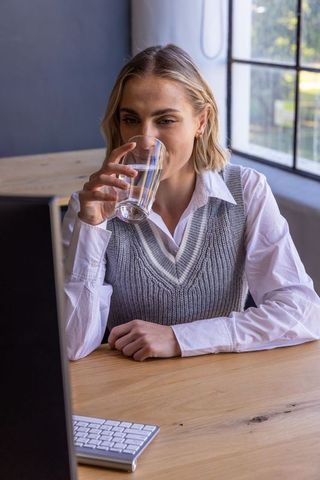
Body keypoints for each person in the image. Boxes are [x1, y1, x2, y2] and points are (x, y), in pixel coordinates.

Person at [62, 44, 320, 361]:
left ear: (201, 121)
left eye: (166, 120)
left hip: (222, 381)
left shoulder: (246, 190)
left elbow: (302, 312)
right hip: (132, 391)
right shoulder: (90, 206)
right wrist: (92, 228)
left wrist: (179, 338)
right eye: (131, 119)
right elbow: (72, 344)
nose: (145, 138)